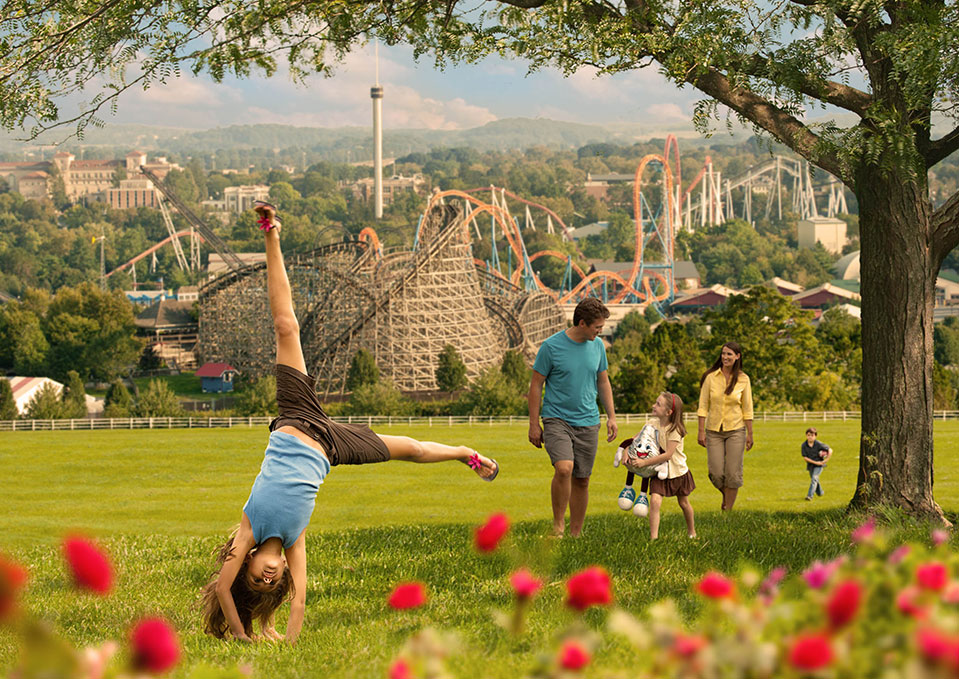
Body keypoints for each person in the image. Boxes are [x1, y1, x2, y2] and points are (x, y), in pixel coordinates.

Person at [200, 202, 498, 643]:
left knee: (286, 326)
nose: (266, 577)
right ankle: (464, 453)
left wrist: (242, 636)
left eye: (256, 579)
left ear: (247, 564)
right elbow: (298, 601)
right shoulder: (295, 541)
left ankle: (271, 233)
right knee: (411, 451)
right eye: (271, 581)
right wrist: (284, 638)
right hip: (333, 447)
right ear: (282, 571)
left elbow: (223, 589)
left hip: (297, 416)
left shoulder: (249, 530)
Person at [527, 297, 618, 537]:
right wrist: (533, 424)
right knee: (565, 468)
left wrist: (611, 416)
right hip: (557, 419)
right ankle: (558, 526)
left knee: (582, 479)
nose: (601, 331)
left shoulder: (597, 346)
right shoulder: (551, 347)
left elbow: (603, 381)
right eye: (597, 327)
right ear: (581, 323)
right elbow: (536, 385)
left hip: (588, 421)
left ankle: (576, 533)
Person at [630, 392, 696, 539]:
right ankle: (654, 538)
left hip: (677, 472)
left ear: (668, 412)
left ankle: (692, 531)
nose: (654, 405)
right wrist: (625, 451)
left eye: (658, 404)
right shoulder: (651, 424)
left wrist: (644, 463)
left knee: (684, 503)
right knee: (655, 501)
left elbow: (668, 455)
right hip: (659, 471)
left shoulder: (675, 430)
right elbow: (636, 438)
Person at [697, 342, 754, 511]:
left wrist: (750, 434)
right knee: (715, 473)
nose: (725, 357)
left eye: (729, 354)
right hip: (713, 430)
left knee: (733, 472)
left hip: (736, 430)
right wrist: (701, 431)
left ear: (737, 356)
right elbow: (702, 405)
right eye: (723, 354)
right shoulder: (710, 377)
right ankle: (727, 494)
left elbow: (747, 409)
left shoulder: (744, 379)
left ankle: (727, 510)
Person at [801, 427, 832, 501]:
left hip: (819, 465)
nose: (810, 437)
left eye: (812, 435)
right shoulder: (804, 445)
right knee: (814, 480)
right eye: (808, 435)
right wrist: (815, 463)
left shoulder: (818, 444)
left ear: (815, 436)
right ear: (806, 436)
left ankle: (809, 496)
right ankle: (820, 492)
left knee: (814, 478)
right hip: (811, 465)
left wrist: (825, 460)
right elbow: (805, 458)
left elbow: (830, 450)